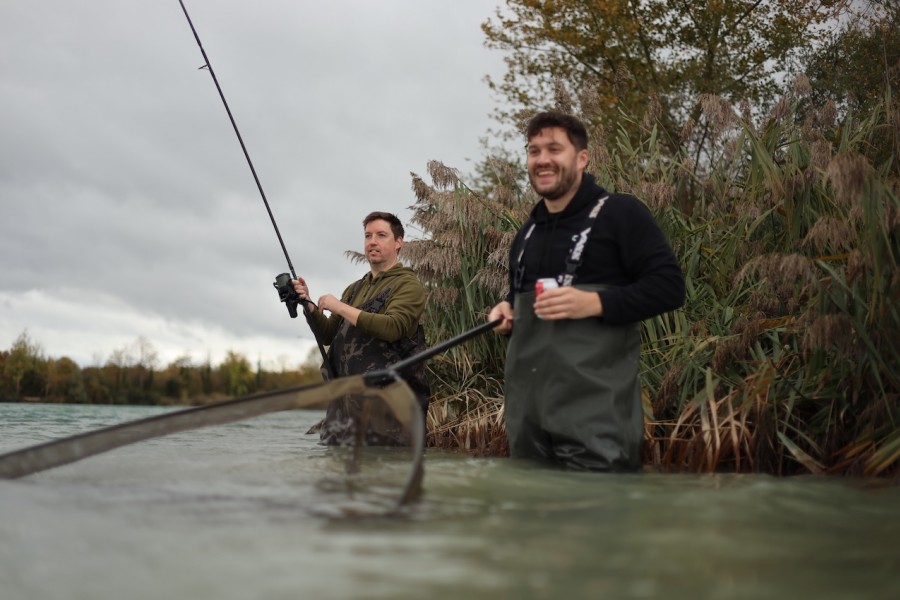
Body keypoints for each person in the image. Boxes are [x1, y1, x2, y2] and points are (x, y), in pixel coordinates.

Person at [487, 111, 685, 471]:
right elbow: (517, 299)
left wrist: (594, 302)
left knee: (595, 518)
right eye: (533, 151)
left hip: (598, 422)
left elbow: (670, 288)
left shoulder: (621, 213)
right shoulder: (525, 235)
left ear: (581, 158)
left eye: (554, 149)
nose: (542, 159)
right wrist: (506, 310)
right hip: (528, 423)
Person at [293, 211, 429, 446]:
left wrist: (339, 306)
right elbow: (328, 335)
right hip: (344, 415)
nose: (372, 241)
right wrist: (309, 305)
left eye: (381, 235)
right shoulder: (354, 289)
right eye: (368, 236)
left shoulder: (408, 284)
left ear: (398, 242)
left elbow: (393, 327)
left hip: (389, 418)